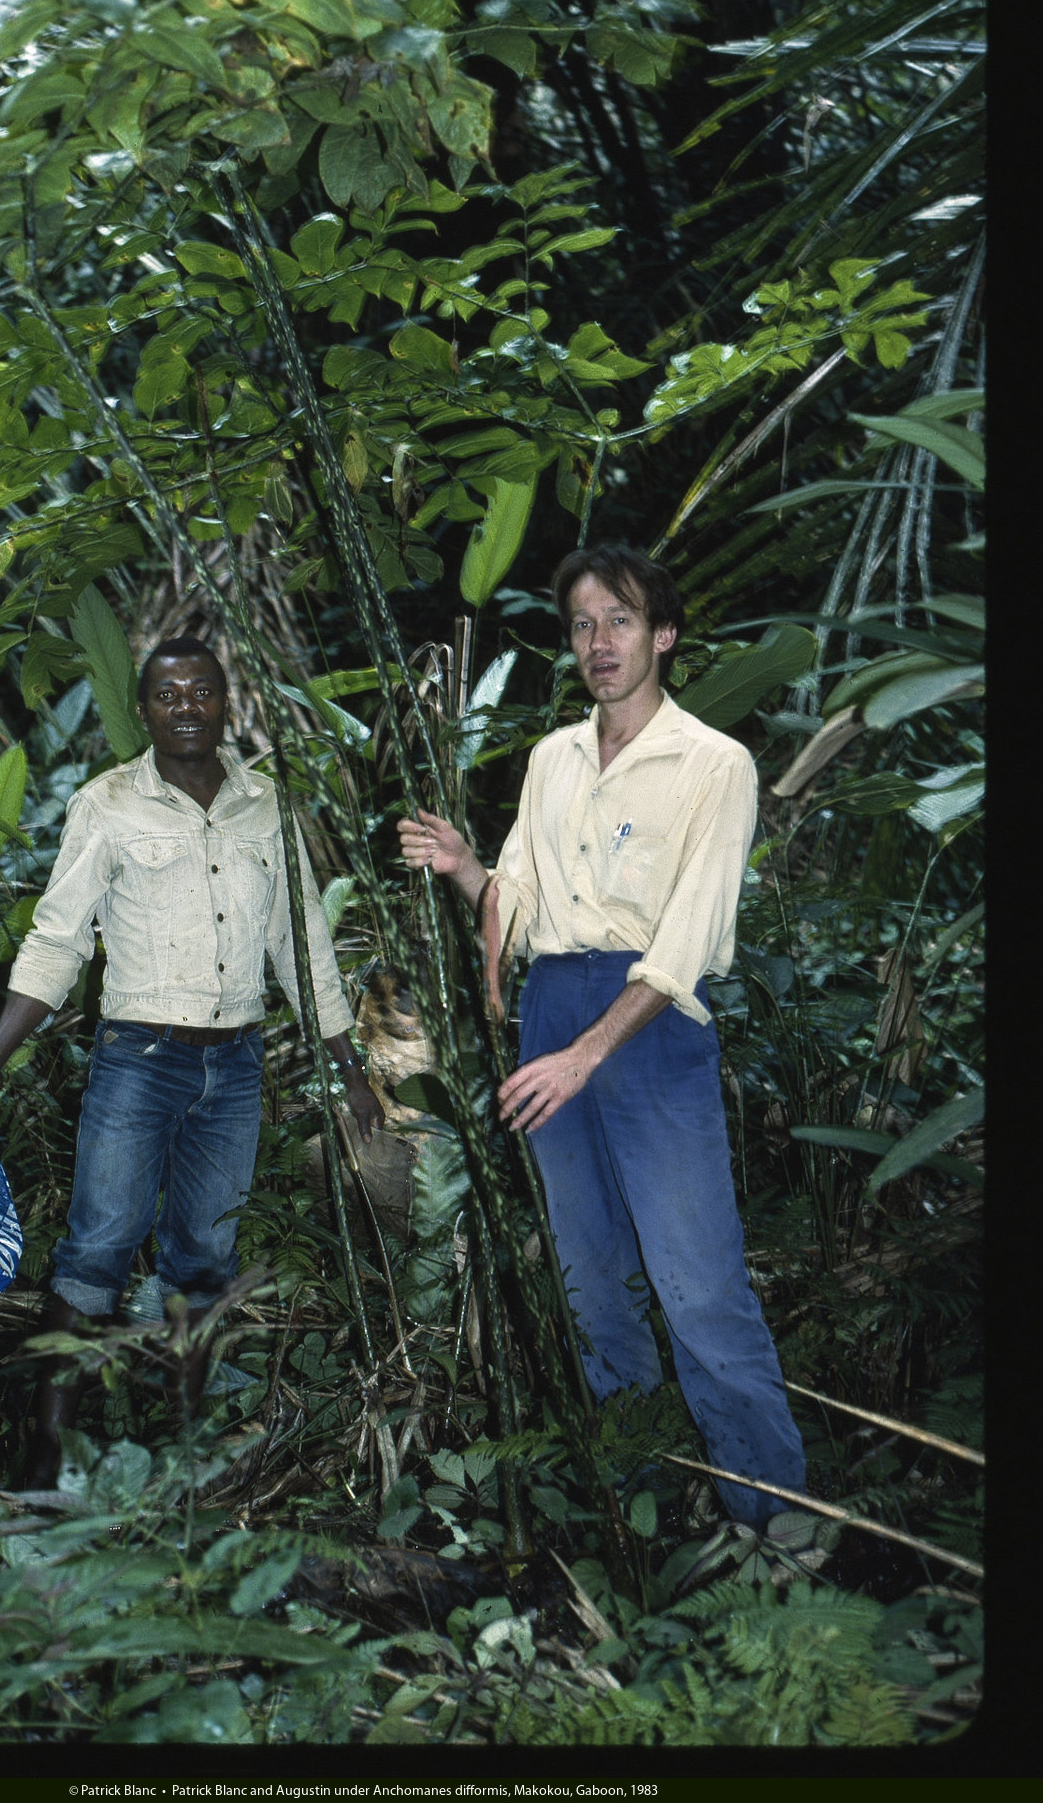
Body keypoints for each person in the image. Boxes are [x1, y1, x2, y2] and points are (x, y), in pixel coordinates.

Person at [397, 544, 807, 1533]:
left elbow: (688, 940)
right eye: (583, 625)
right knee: (591, 1287)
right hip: (551, 1008)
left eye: (619, 619)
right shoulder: (552, 760)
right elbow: (519, 906)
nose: (599, 642)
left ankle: (773, 1521)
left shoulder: (713, 762)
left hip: (645, 1026)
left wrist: (588, 1053)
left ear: (662, 634)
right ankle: (641, 1513)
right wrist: (463, 867)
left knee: (698, 1289)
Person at [0, 635, 384, 1484]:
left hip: (236, 1065)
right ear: (143, 711)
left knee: (206, 1259)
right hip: (139, 1060)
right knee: (98, 1248)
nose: (187, 707)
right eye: (169, 695)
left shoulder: (267, 806)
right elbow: (56, 943)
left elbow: (301, 947)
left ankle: (182, 1458)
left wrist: (351, 1069)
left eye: (202, 691)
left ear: (226, 702)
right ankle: (44, 1458)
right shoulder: (106, 806)